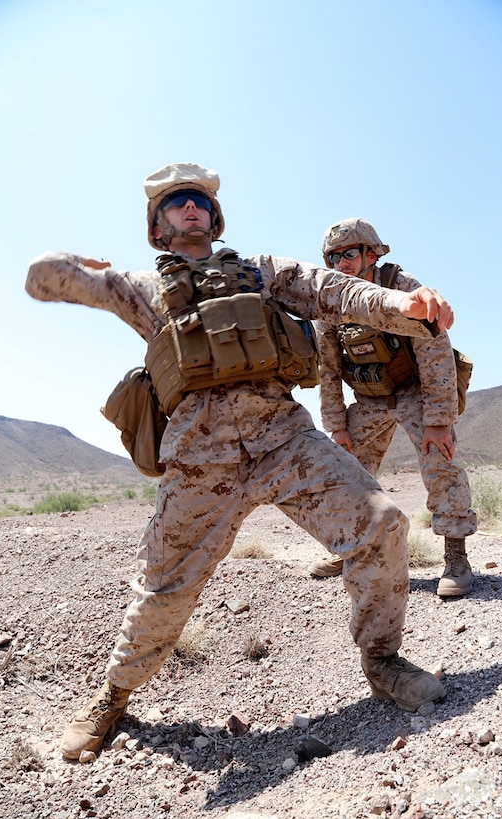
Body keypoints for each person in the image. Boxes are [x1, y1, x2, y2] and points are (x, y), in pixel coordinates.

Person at [25, 164, 453, 761]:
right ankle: (113, 697)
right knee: (167, 586)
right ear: (158, 224)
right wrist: (76, 264)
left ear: (214, 215)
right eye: (176, 203)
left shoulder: (264, 272)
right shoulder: (142, 288)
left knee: (381, 523)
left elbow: (337, 291)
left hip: (283, 436)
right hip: (202, 456)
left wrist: (403, 302)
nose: (191, 208)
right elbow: (41, 279)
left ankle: (381, 662)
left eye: (198, 200)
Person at [309, 218, 477, 597]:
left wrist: (438, 421)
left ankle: (455, 556)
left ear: (371, 253)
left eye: (349, 254)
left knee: (440, 460)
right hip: (369, 398)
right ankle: (348, 548)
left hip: (415, 389)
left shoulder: (403, 288)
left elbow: (436, 355)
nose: (341, 264)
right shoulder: (331, 302)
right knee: (345, 467)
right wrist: (337, 427)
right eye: (332, 257)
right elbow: (328, 370)